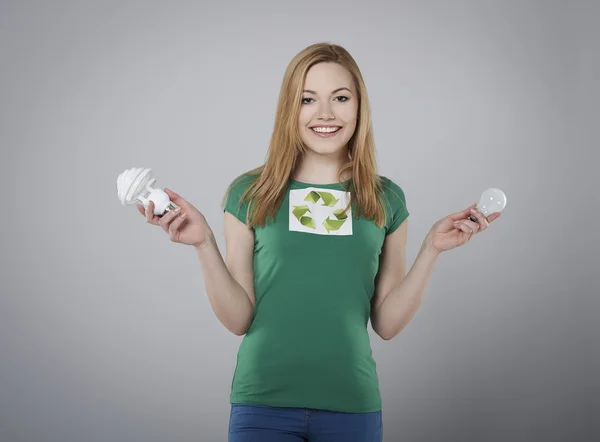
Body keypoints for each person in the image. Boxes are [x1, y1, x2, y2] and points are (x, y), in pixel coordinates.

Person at [137, 42, 501, 442]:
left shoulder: (385, 200)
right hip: (262, 405)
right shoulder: (250, 194)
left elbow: (388, 324)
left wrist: (431, 249)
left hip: (351, 406)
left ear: (359, 107)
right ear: (289, 108)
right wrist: (203, 242)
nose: (325, 113)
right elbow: (238, 318)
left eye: (340, 98)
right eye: (308, 99)